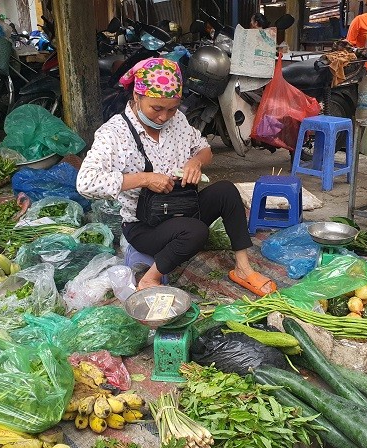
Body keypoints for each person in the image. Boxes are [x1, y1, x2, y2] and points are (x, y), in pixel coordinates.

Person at [76, 57, 277, 296]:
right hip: (145, 227)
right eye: (156, 108)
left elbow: (204, 148)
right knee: (195, 232)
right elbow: (85, 182)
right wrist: (144, 179)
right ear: (137, 97)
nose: (163, 117)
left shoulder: (178, 121)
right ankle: (150, 279)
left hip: (182, 207)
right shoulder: (114, 133)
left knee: (225, 191)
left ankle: (243, 268)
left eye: (171, 109)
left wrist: (196, 162)